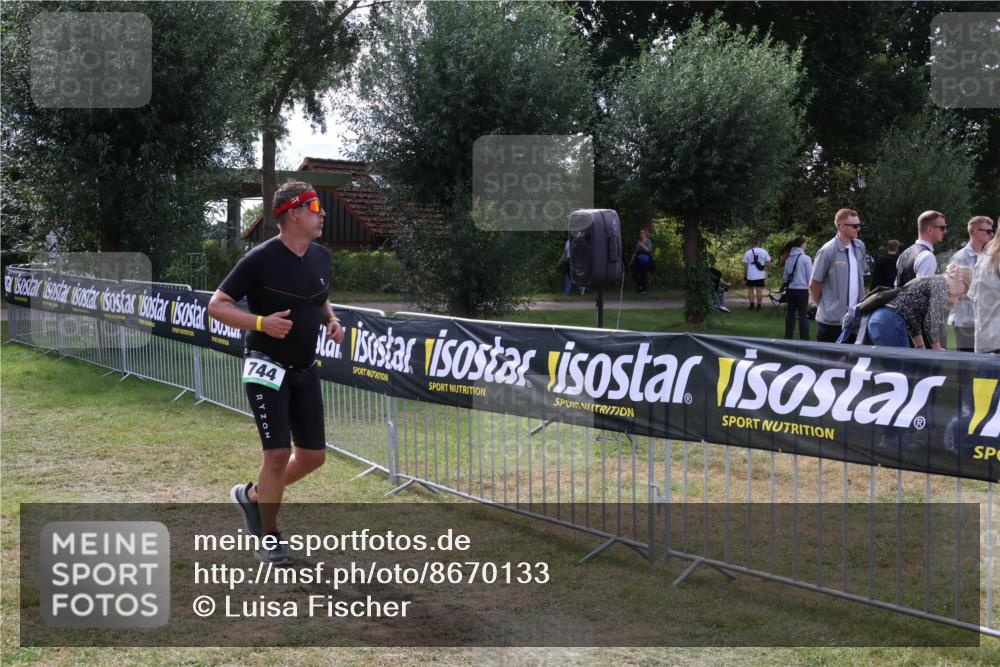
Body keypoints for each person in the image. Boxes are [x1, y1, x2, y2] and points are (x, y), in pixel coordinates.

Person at [207, 180, 345, 565]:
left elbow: (319, 297)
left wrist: (332, 320)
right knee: (278, 453)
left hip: (305, 368)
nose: (321, 214)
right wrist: (261, 323)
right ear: (292, 214)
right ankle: (268, 535)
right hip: (266, 367)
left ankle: (253, 498)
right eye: (315, 206)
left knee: (314, 456)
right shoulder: (260, 259)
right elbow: (217, 306)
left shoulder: (319, 256)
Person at [863, 266, 972, 348]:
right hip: (892, 322)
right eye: (965, 290)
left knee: (895, 370)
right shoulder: (941, 285)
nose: (963, 295)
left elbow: (913, 321)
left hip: (879, 319)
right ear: (959, 281)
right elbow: (930, 324)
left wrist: (921, 348)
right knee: (902, 371)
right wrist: (938, 351)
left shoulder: (934, 281)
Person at [809, 208, 867, 343]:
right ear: (842, 227)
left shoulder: (860, 247)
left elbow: (860, 278)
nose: (858, 229)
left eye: (859, 225)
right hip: (831, 324)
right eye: (854, 226)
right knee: (830, 363)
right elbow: (814, 284)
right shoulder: (827, 251)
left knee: (854, 363)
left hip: (855, 322)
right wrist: (826, 307)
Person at [947, 216, 994, 351]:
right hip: (965, 321)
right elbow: (954, 291)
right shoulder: (959, 257)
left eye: (992, 231)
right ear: (974, 231)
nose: (991, 234)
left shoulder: (989, 257)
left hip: (984, 320)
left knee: (985, 363)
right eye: (988, 231)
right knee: (966, 365)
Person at [969, 221, 1000, 354]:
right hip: (995, 340)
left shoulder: (984, 257)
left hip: (985, 338)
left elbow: (972, 296)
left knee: (984, 375)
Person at [896, 211, 947, 287]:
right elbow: (923, 294)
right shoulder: (927, 256)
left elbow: (896, 286)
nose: (945, 231)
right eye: (942, 228)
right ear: (930, 230)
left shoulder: (903, 254)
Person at [782, 237, 813, 340]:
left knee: (790, 315)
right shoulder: (806, 258)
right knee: (802, 315)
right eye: (805, 244)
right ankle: (804, 338)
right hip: (802, 290)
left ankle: (788, 336)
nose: (806, 246)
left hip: (790, 290)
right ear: (802, 245)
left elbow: (785, 277)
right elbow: (810, 276)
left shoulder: (788, 258)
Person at [742, 239, 771, 310]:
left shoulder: (748, 252)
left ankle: (751, 305)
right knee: (759, 291)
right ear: (760, 244)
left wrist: (745, 275)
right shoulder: (764, 251)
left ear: (753, 244)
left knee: (750, 290)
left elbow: (745, 265)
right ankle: (759, 306)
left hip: (750, 276)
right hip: (760, 275)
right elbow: (769, 263)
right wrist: (769, 271)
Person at [629, 228, 653, 294]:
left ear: (645, 234)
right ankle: (640, 286)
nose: (641, 234)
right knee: (635, 274)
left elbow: (649, 250)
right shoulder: (638, 242)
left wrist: (642, 245)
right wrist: (631, 261)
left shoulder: (648, 241)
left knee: (644, 275)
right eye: (640, 233)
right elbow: (635, 252)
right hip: (638, 259)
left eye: (642, 233)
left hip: (646, 260)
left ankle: (644, 290)